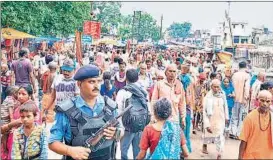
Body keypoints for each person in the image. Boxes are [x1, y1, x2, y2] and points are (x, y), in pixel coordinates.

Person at [49, 65, 123, 160]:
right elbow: (52, 142)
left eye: (98, 81)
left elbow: (121, 130)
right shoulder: (67, 110)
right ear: (79, 84)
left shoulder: (110, 106)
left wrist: (116, 133)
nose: (96, 86)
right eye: (91, 82)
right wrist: (70, 151)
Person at [115, 69, 150, 160]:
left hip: (127, 126)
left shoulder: (123, 92)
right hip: (140, 125)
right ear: (138, 78)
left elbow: (119, 110)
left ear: (126, 78)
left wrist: (120, 127)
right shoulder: (143, 91)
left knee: (123, 150)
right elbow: (147, 107)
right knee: (137, 150)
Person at [238, 90, 273, 159]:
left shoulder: (272, 116)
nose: (265, 104)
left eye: (268, 101)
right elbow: (244, 139)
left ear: (271, 102)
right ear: (257, 101)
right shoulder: (250, 117)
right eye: (262, 100)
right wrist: (240, 157)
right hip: (251, 155)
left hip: (268, 155)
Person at [202, 79, 229, 159]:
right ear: (211, 87)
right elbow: (205, 112)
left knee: (220, 136)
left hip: (220, 118)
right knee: (208, 134)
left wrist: (227, 117)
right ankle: (204, 145)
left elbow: (225, 106)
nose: (216, 89)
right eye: (215, 87)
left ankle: (219, 153)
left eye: (218, 87)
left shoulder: (222, 94)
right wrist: (207, 125)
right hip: (211, 119)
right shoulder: (208, 96)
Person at [230, 61, 251, 139]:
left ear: (239, 66)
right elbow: (247, 87)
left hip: (234, 97)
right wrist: (246, 97)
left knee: (234, 115)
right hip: (242, 99)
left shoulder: (234, 75)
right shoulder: (247, 76)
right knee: (242, 117)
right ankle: (239, 134)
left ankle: (232, 132)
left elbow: (231, 86)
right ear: (245, 67)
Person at [1, 86, 19, 159]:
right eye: (18, 93)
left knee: (4, 135)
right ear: (14, 93)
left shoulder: (7, 99)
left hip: (2, 119)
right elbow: (11, 114)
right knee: (5, 135)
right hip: (5, 120)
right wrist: (13, 126)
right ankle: (5, 150)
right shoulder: (10, 100)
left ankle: (3, 148)